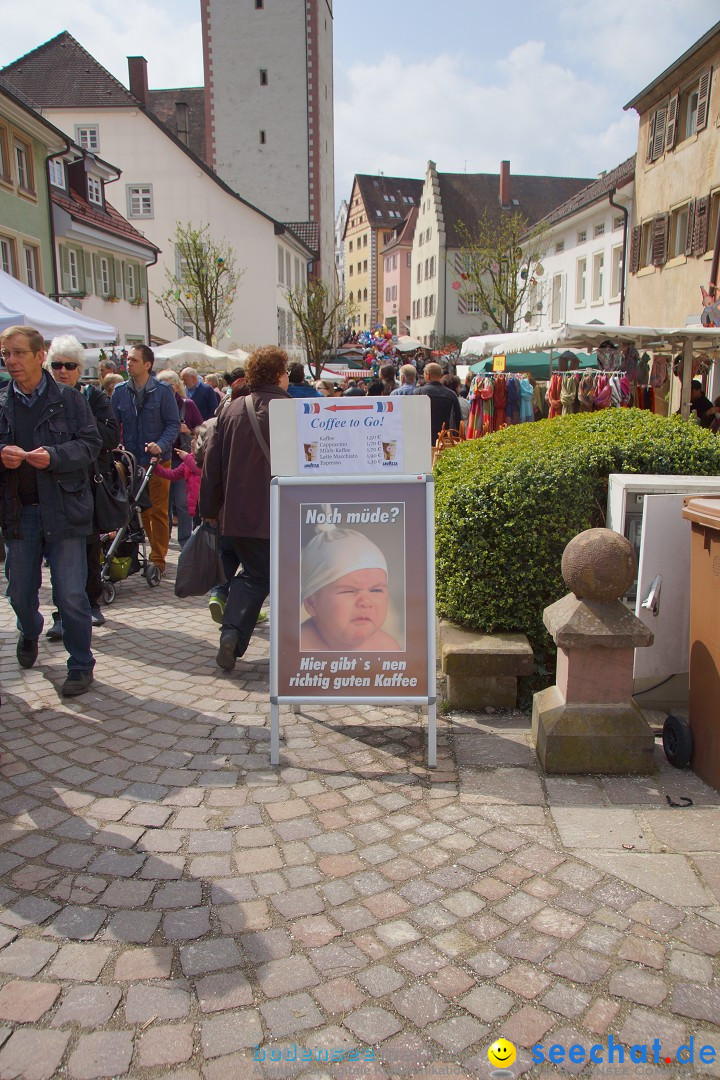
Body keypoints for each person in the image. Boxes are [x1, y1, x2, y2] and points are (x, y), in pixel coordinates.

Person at [0, 325, 102, 696]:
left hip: (64, 509)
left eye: (18, 353)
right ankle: (29, 630)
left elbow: (91, 444)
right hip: (19, 511)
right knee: (19, 591)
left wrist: (55, 457)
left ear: (39, 355)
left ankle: (80, 664)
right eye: (6, 354)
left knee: (71, 593)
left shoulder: (69, 399)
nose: (11, 361)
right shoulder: (2, 402)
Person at [199, 345, 290, 669]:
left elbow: (213, 464)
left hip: (233, 515)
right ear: (279, 374)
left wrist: (208, 509)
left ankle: (233, 634)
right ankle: (233, 634)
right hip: (276, 515)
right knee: (258, 576)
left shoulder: (231, 409)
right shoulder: (291, 410)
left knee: (255, 572)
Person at [45, 335, 121, 638]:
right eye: (57, 365)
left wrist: (80, 420)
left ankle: (91, 602)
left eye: (69, 365)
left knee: (89, 547)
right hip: (51, 486)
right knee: (56, 553)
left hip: (87, 484)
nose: (63, 370)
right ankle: (61, 612)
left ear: (79, 368)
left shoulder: (93, 397)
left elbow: (111, 436)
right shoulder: (43, 398)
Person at [111, 345, 180, 580]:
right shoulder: (120, 392)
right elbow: (112, 424)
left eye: (133, 360)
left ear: (147, 365)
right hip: (130, 462)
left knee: (159, 510)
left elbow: (173, 423)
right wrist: (114, 446)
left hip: (158, 461)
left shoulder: (163, 392)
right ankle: (142, 555)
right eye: (127, 360)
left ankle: (158, 559)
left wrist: (161, 444)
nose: (128, 363)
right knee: (140, 510)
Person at [301, 527, 401, 651]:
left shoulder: (386, 646)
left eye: (376, 590)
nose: (365, 602)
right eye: (348, 591)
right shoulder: (299, 647)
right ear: (312, 603)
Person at [156, 370, 203, 548]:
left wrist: (189, 430)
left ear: (177, 386)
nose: (166, 389)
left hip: (183, 458)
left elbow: (201, 428)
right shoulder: (157, 405)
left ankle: (185, 540)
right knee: (164, 504)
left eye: (169, 385)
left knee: (182, 503)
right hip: (164, 457)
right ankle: (164, 540)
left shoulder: (187, 404)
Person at [153, 424, 205, 533]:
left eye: (195, 439)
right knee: (198, 533)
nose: (192, 441)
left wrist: (186, 457)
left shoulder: (206, 458)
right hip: (195, 507)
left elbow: (200, 470)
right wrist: (157, 467)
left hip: (205, 506)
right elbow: (173, 474)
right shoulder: (189, 459)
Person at [414, 361, 461, 444]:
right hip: (444, 440)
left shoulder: (418, 392)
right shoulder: (451, 395)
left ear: (427, 375)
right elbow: (458, 420)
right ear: (440, 376)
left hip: (422, 439)